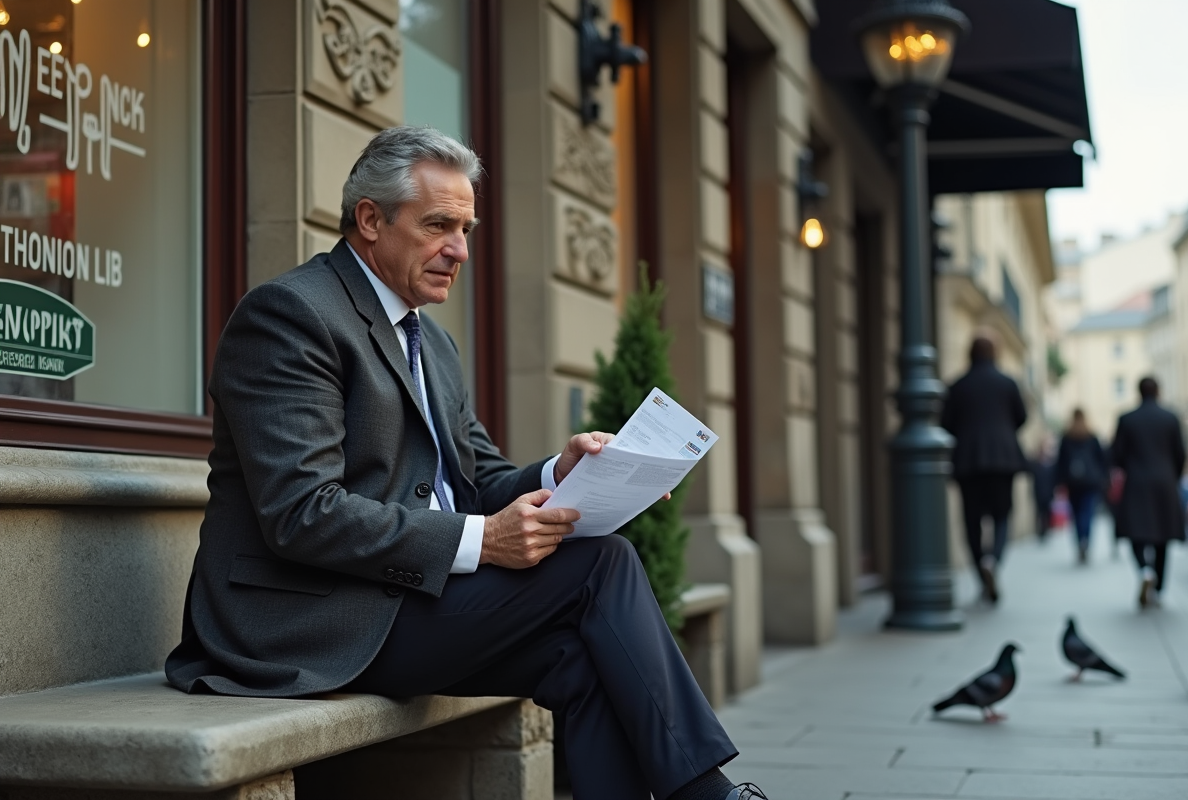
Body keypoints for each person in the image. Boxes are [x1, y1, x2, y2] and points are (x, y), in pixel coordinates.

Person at [164, 127, 766, 800]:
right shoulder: (291, 317)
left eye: (467, 228)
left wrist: (558, 477)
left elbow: (476, 482)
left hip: (406, 599)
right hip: (303, 624)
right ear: (370, 220)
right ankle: (708, 796)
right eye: (439, 226)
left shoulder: (434, 342)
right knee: (603, 564)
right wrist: (486, 542)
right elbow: (303, 515)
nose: (459, 250)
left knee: (580, 657)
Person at [941, 335, 1028, 603]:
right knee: (1002, 516)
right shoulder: (1007, 383)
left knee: (971, 522)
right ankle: (994, 560)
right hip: (1002, 460)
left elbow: (946, 423)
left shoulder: (958, 386)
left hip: (969, 461)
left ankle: (981, 571)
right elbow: (1021, 417)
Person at [1110, 376, 1187, 608]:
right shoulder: (1170, 418)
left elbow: (1116, 454)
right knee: (1163, 537)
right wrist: (1173, 476)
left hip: (1137, 482)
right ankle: (1159, 586)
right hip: (1165, 481)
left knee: (1137, 534)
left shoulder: (1127, 419)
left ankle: (1145, 570)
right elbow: (1180, 453)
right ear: (1158, 391)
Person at [1054, 409, 1108, 564]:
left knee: (1076, 515)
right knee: (1088, 513)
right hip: (1090, 482)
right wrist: (1102, 478)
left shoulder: (1066, 437)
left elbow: (1060, 462)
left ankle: (1080, 542)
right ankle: (1086, 542)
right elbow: (1101, 459)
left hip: (1073, 482)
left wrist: (1059, 481)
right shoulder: (1092, 437)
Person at [1030, 437, 1057, 543]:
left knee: (1047, 512)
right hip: (1038, 491)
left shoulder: (1052, 463)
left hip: (1048, 491)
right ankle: (1040, 531)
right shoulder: (1036, 463)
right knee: (1040, 512)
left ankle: (1046, 530)